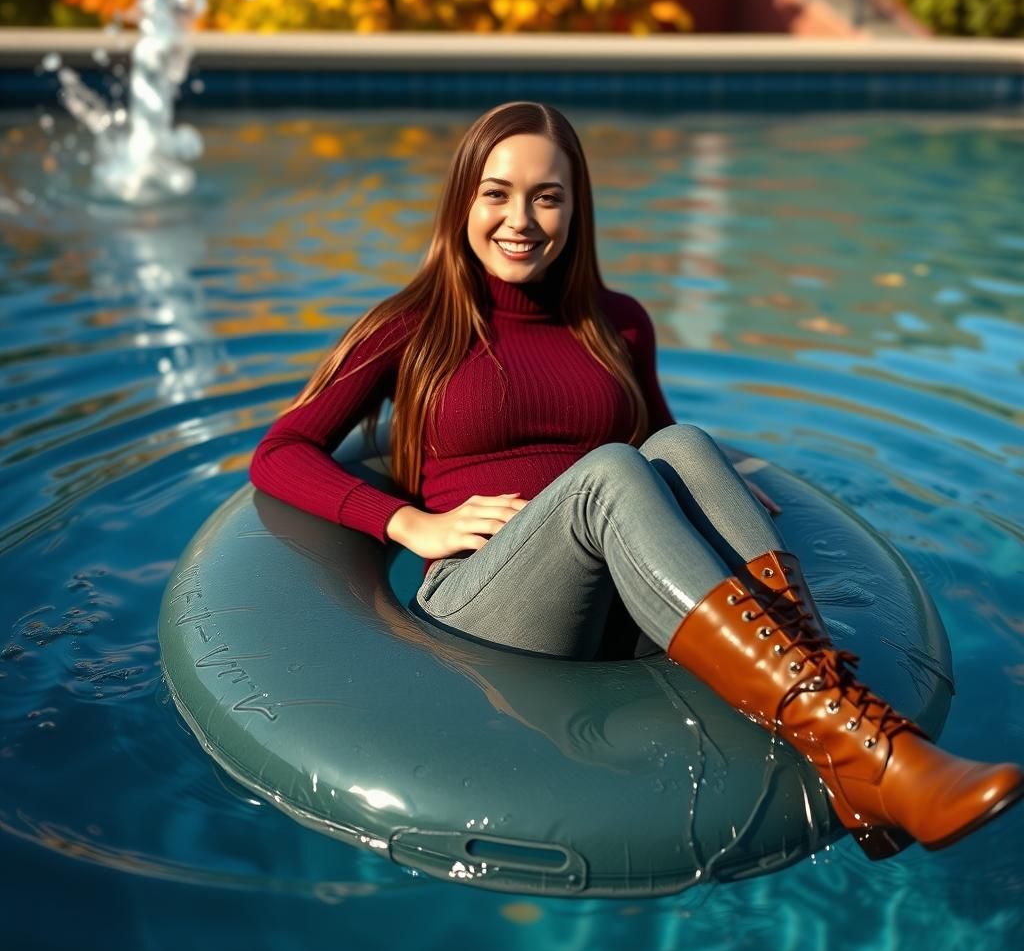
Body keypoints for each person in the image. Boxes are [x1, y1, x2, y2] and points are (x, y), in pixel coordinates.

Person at [250, 100, 1023, 860]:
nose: (521, 219)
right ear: (462, 203)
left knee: (686, 443)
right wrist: (410, 524)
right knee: (612, 471)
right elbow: (282, 451)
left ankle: (848, 738)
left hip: (611, 591)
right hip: (483, 595)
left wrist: (715, 489)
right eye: (498, 193)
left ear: (575, 212)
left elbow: (659, 432)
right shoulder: (411, 324)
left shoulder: (616, 322)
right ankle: (872, 757)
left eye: (547, 197)